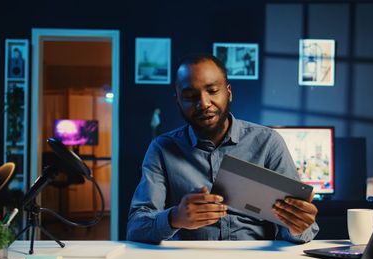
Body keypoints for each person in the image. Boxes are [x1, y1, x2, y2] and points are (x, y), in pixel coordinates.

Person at [127, 54, 319, 243]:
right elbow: (136, 227)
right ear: (178, 100)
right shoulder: (162, 149)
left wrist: (298, 226)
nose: (203, 103)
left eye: (212, 90)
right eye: (190, 96)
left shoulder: (268, 142)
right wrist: (175, 218)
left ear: (228, 92)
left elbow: (301, 230)